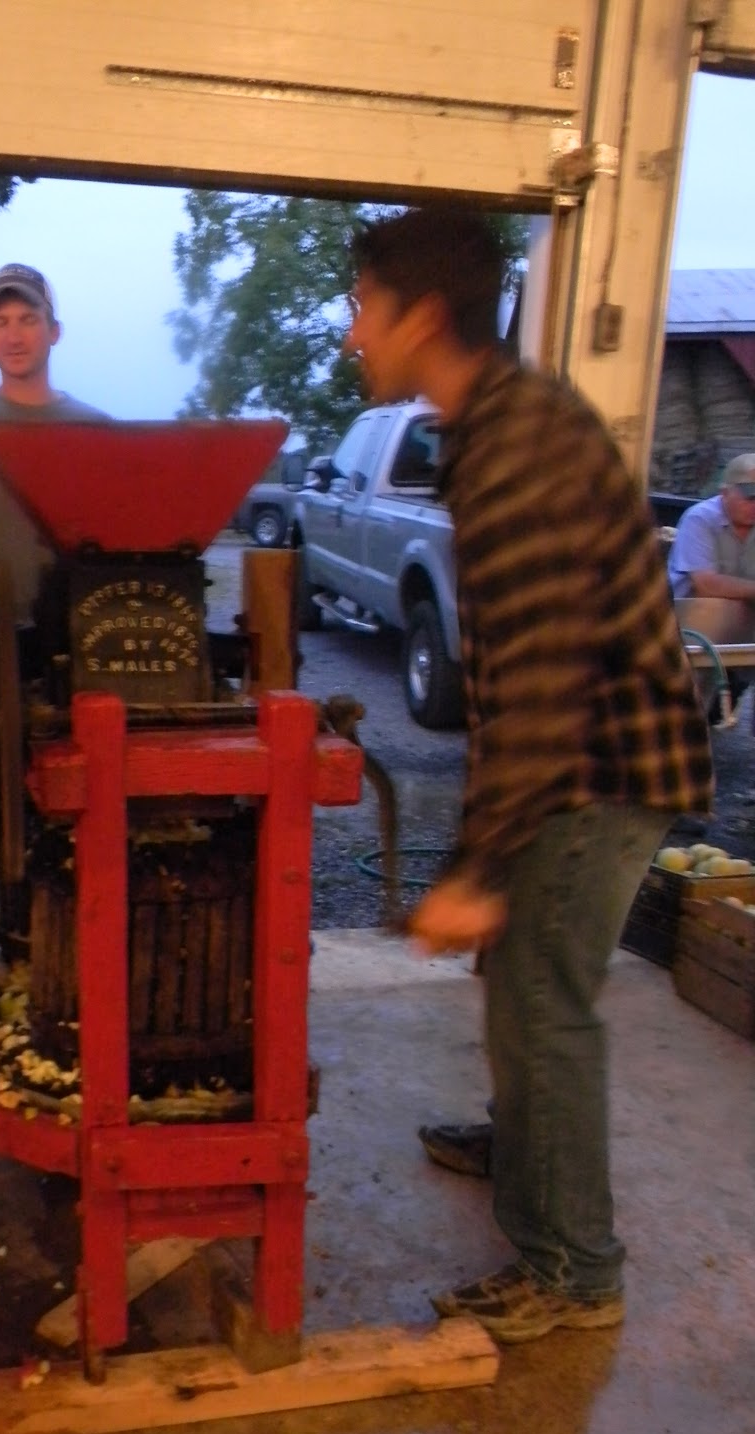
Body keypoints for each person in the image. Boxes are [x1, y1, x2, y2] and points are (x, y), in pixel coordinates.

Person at [344, 207, 714, 1344]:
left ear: (422, 315)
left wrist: (474, 870)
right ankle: (528, 1147)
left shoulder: (514, 446)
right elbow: (511, 674)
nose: (353, 334)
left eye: (363, 309)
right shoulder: (494, 424)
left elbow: (544, 695)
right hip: (583, 751)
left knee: (543, 1002)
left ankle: (572, 1269)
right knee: (520, 977)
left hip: (601, 765)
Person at [0, 263, 107, 655]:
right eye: (0, 322)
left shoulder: (98, 431)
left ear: (54, 331)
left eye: (28, 319)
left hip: (86, 635)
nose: (14, 337)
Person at [667, 454, 755, 603]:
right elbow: (706, 585)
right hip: (688, 613)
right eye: (751, 498)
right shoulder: (700, 518)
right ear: (724, 493)